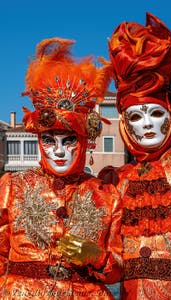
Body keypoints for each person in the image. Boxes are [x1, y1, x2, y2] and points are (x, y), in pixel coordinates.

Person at [0, 37, 123, 299]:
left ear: (84, 141)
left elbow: (118, 271)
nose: (58, 150)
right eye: (48, 140)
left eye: (68, 141)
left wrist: (97, 257)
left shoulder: (107, 195)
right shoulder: (12, 187)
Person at [98, 12, 171, 299]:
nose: (146, 124)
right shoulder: (115, 182)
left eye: (155, 113)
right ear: (125, 124)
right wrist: (97, 256)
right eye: (135, 116)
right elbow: (115, 266)